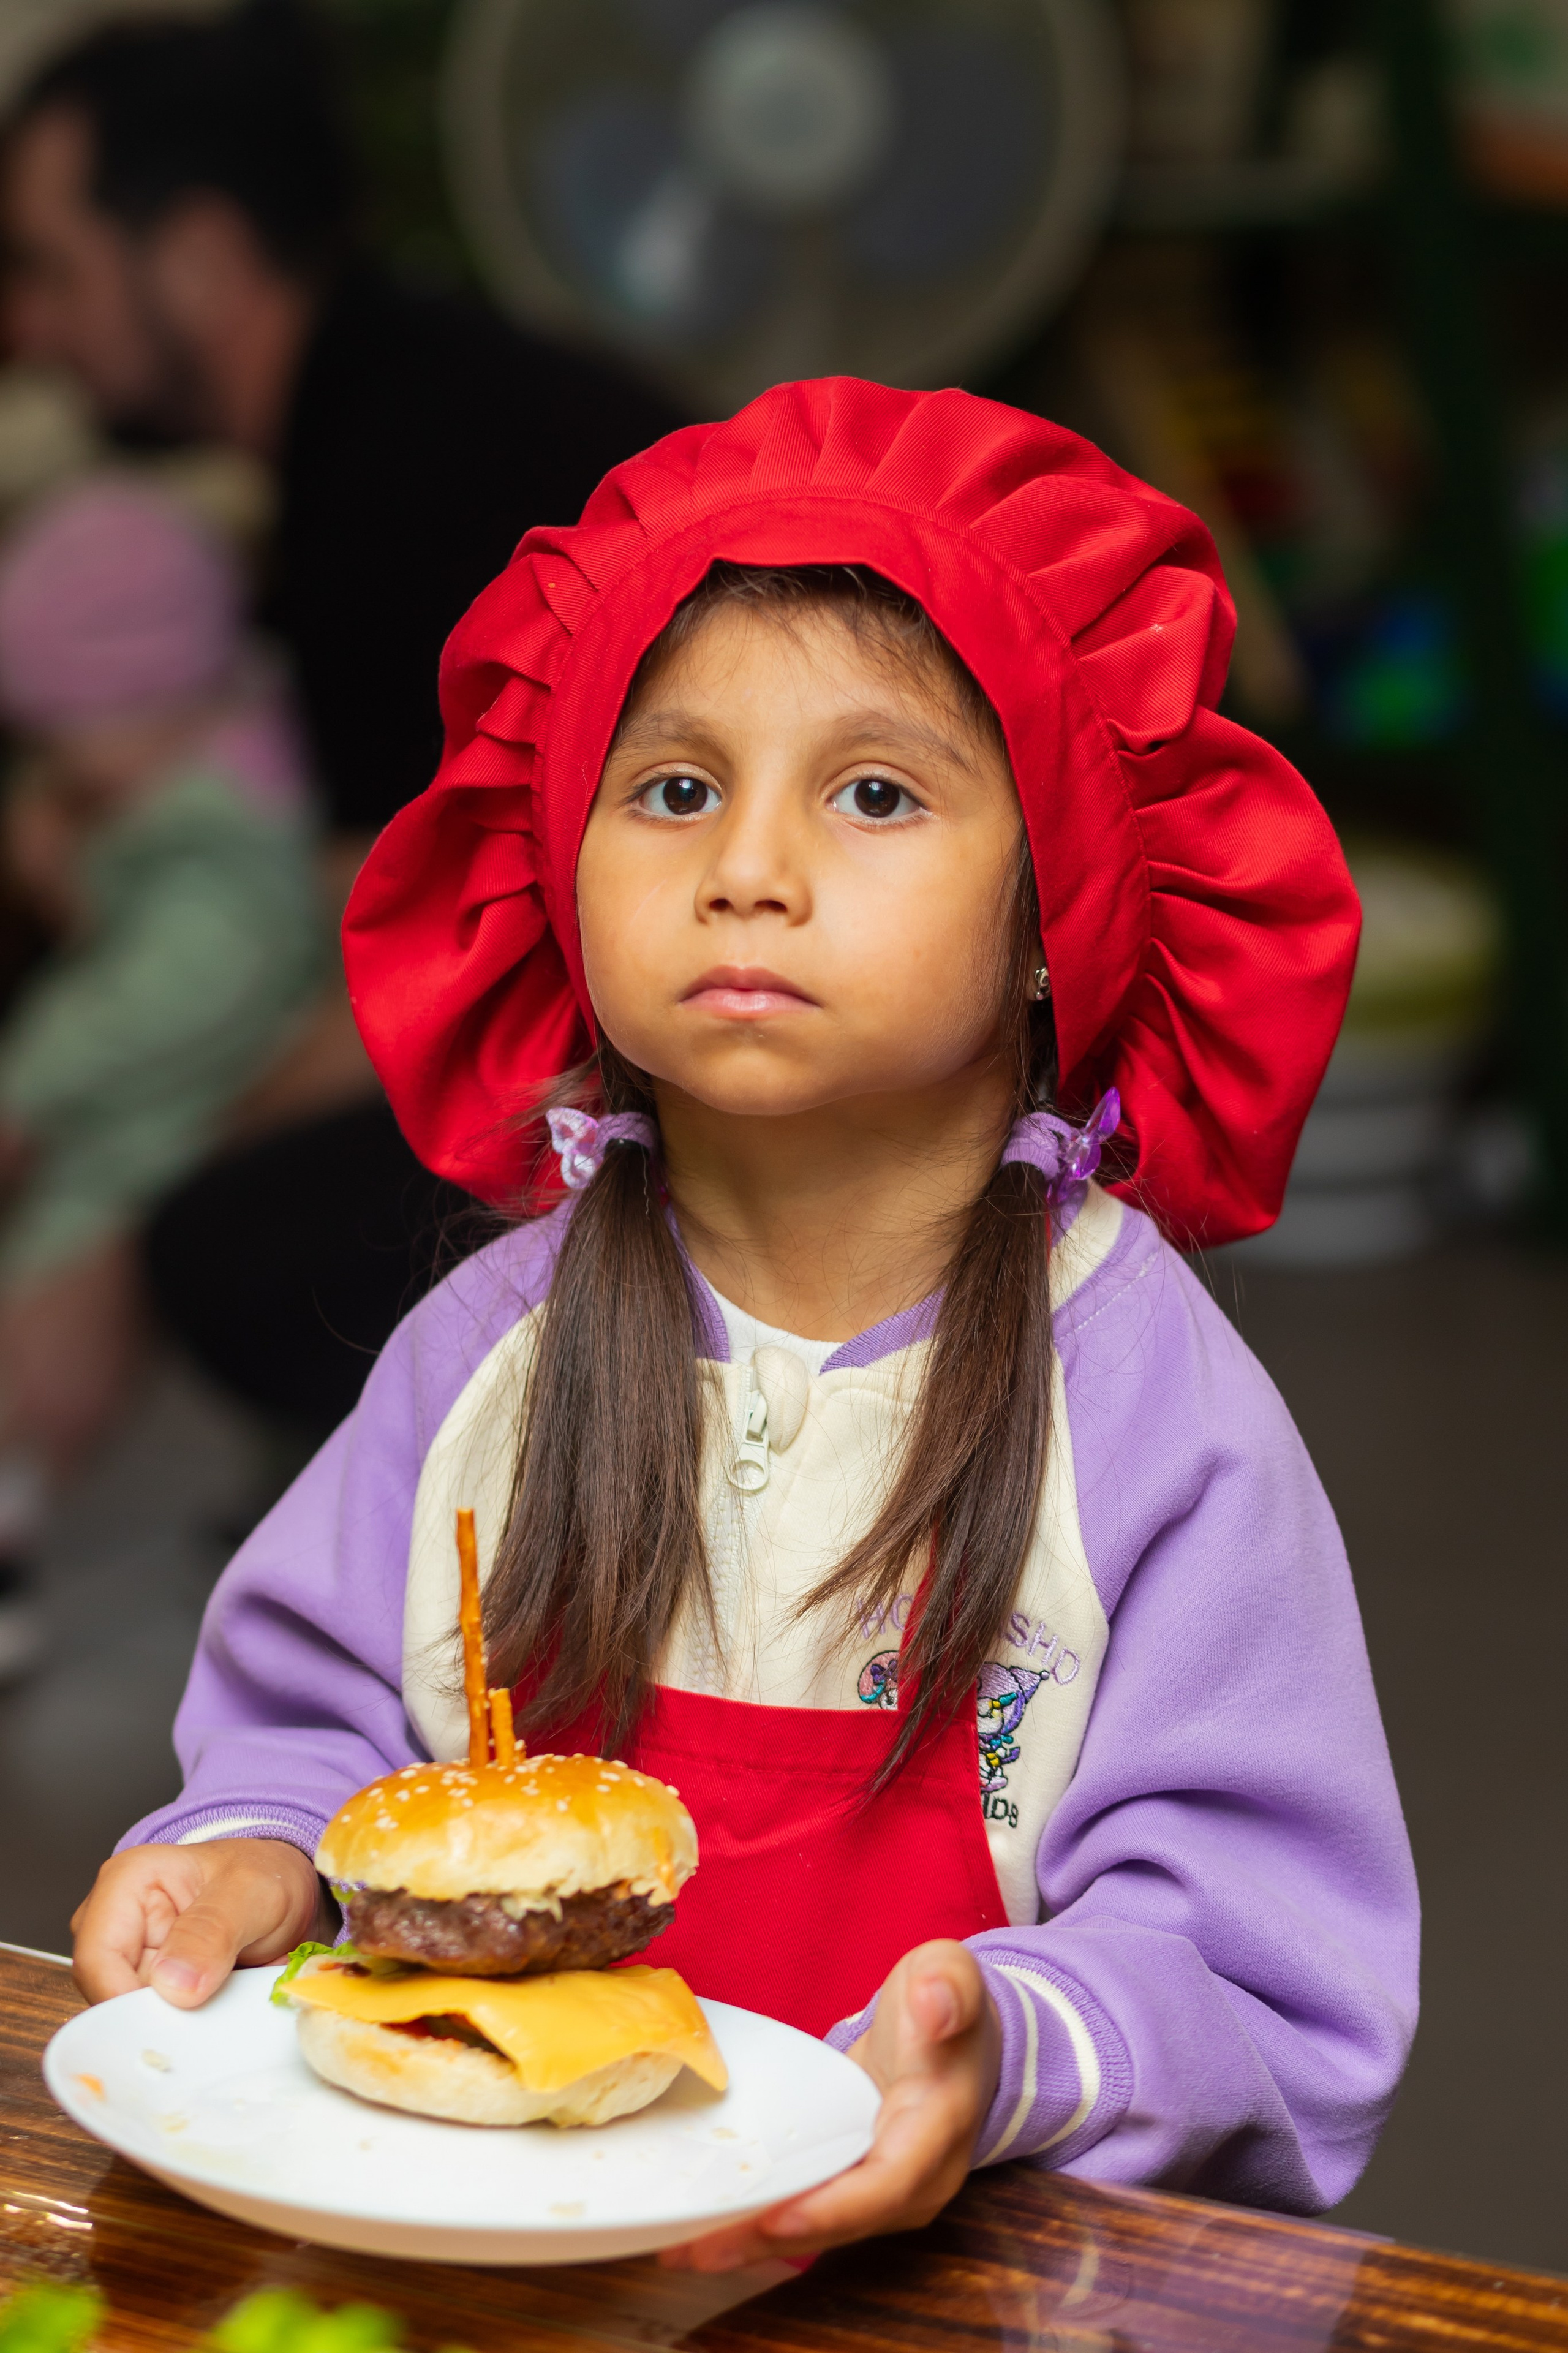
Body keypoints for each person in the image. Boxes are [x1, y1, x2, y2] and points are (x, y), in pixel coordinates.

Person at [69, 382, 1418, 2257]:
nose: (748, 865)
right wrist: (243, 1857)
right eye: (677, 785)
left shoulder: (1153, 1407)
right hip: (517, 2270)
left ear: (1059, 908)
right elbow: (316, 1734)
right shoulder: (487, 1358)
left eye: (876, 791)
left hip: (975, 2285)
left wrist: (1000, 2049)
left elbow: (1253, 1965)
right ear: (558, 857)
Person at [0, 0, 682, 1437]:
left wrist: (136, 1186)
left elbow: (437, 974)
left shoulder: (398, 474)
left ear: (192, 259)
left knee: (234, 1242)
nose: (28, 328)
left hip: (717, 1067)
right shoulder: (395, 404)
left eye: (51, 272)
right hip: (657, 1010)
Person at [0, 477, 321, 1671]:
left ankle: (19, 1492)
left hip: (182, 1118)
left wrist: (25, 1087)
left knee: (53, 1273)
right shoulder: (193, 783)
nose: (60, 775)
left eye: (66, 742)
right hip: (184, 1102)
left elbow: (167, 997)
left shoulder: (223, 839)